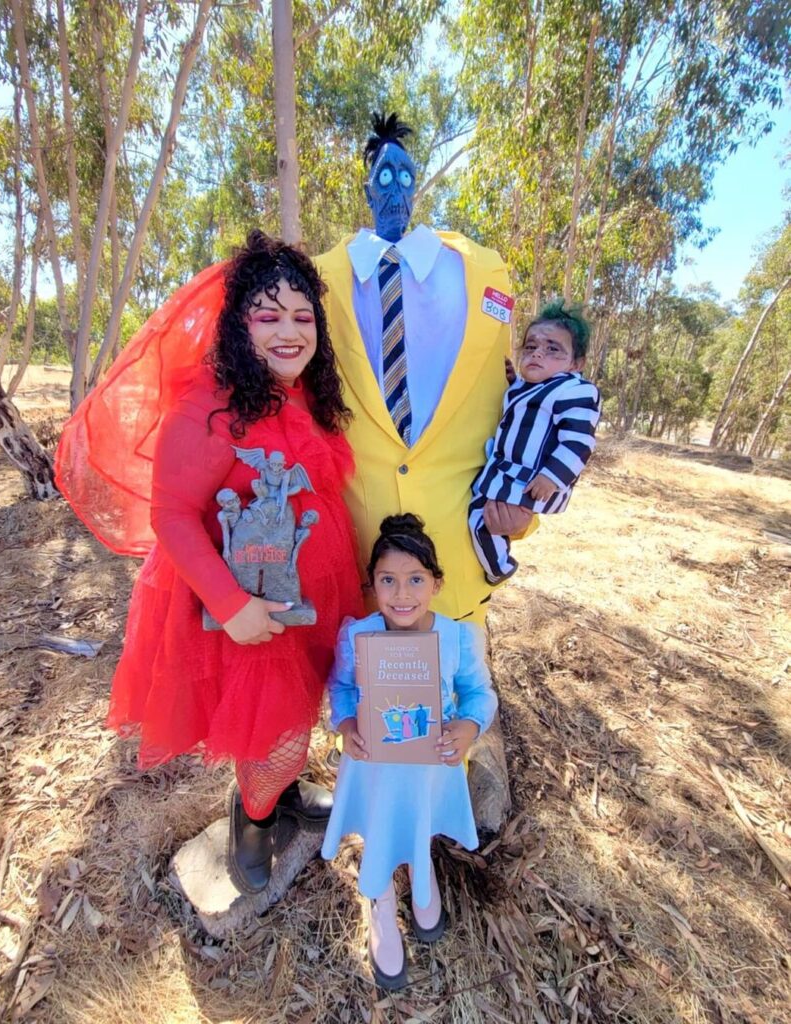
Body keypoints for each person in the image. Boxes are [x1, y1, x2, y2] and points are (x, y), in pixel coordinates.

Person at [55, 231, 364, 894]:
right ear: (237, 324)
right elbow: (171, 516)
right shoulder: (209, 406)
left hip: (309, 597)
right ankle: (252, 820)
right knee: (271, 731)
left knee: (299, 714)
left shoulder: (306, 396)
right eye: (268, 314)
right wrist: (232, 607)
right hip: (245, 610)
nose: (289, 331)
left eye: (302, 316)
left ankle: (278, 799)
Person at [317, 112, 536, 626]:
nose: (396, 188)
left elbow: (512, 410)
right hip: (359, 575)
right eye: (384, 176)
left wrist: (521, 512)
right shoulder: (321, 279)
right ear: (367, 187)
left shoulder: (483, 273)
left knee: (463, 704)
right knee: (363, 705)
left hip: (455, 572)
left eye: (406, 176)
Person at [321, 514, 497, 990]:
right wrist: (345, 722)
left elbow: (481, 695)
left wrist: (468, 724)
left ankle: (423, 876)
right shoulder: (358, 637)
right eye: (389, 581)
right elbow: (338, 687)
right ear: (373, 585)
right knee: (381, 826)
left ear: (436, 583)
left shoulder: (457, 638)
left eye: (416, 579)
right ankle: (379, 898)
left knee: (417, 821)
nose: (403, 594)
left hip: (428, 769)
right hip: (375, 768)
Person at [469, 300, 602, 584]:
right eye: (530, 347)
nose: (537, 353)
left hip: (530, 482)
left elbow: (579, 442)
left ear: (576, 363)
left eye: (552, 349)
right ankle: (499, 565)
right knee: (477, 519)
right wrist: (511, 380)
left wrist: (552, 477)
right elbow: (527, 406)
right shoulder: (533, 385)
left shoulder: (575, 390)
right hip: (506, 473)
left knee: (482, 521)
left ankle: (500, 568)